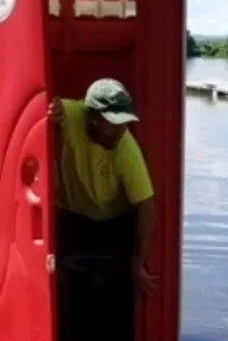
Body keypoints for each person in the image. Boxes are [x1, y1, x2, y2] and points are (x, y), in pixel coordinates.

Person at [48, 78, 157, 295]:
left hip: (114, 224)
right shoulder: (72, 114)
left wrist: (139, 263)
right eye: (113, 123)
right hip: (71, 219)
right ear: (91, 116)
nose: (120, 131)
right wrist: (51, 111)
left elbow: (147, 208)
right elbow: (51, 107)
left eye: (124, 122)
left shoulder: (126, 148)